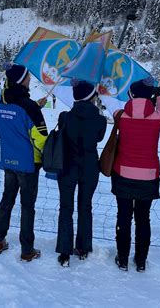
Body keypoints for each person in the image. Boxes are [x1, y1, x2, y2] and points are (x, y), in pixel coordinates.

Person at [112, 77, 160, 272]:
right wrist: (159, 96)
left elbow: (116, 112)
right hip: (149, 176)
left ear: (132, 95)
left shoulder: (121, 116)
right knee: (143, 219)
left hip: (123, 173)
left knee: (123, 216)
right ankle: (141, 260)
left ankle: (122, 258)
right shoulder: (157, 119)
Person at [0, 64, 47, 261]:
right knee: (27, 206)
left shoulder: (2, 100)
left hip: (8, 160)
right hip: (28, 163)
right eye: (27, 77)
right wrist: (49, 152)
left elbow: (14, 120)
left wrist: (35, 107)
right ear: (21, 80)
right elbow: (40, 138)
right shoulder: (29, 106)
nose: (30, 79)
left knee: (7, 199)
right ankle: (27, 250)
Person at [55, 80, 107, 267]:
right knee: (85, 207)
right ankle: (83, 247)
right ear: (91, 97)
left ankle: (64, 251)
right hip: (89, 168)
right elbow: (99, 137)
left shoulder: (64, 117)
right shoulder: (100, 120)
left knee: (65, 207)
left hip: (67, 166)